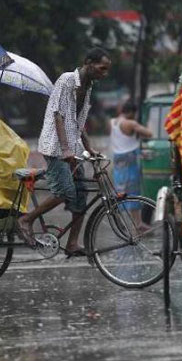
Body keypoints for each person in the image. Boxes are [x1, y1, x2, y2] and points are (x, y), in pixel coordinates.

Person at [17, 47, 112, 256]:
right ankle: (26, 219)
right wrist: (66, 149)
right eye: (101, 68)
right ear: (88, 62)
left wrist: (88, 148)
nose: (103, 74)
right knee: (64, 192)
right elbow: (59, 115)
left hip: (73, 148)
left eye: (106, 71)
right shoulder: (67, 80)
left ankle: (72, 243)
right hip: (55, 146)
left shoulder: (88, 86)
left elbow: (79, 122)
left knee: (81, 196)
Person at [109, 99, 153, 227]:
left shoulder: (112, 122)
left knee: (120, 190)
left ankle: (119, 222)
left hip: (118, 160)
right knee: (133, 191)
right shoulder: (131, 123)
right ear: (132, 112)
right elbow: (149, 134)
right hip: (130, 159)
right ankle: (138, 223)